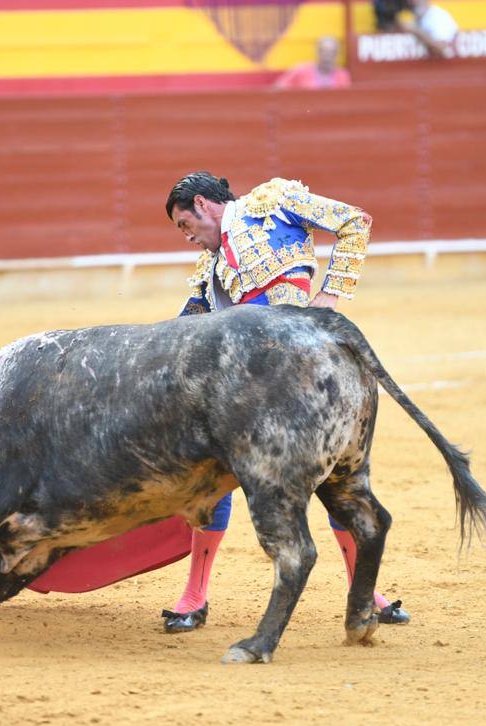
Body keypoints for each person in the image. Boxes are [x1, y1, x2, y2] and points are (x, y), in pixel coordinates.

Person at [161, 172, 410, 632]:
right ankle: (194, 596)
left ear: (202, 203)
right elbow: (182, 333)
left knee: (336, 482)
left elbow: (355, 221)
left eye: (184, 224)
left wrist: (329, 296)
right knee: (210, 483)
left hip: (303, 371)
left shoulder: (272, 204)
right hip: (245, 390)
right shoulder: (208, 273)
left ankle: (365, 593)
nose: (188, 237)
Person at [273, 35, 351, 90]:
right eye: (324, 51)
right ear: (317, 52)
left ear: (337, 54)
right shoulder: (302, 70)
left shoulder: (342, 75)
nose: (327, 56)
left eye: (332, 52)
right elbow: (278, 89)